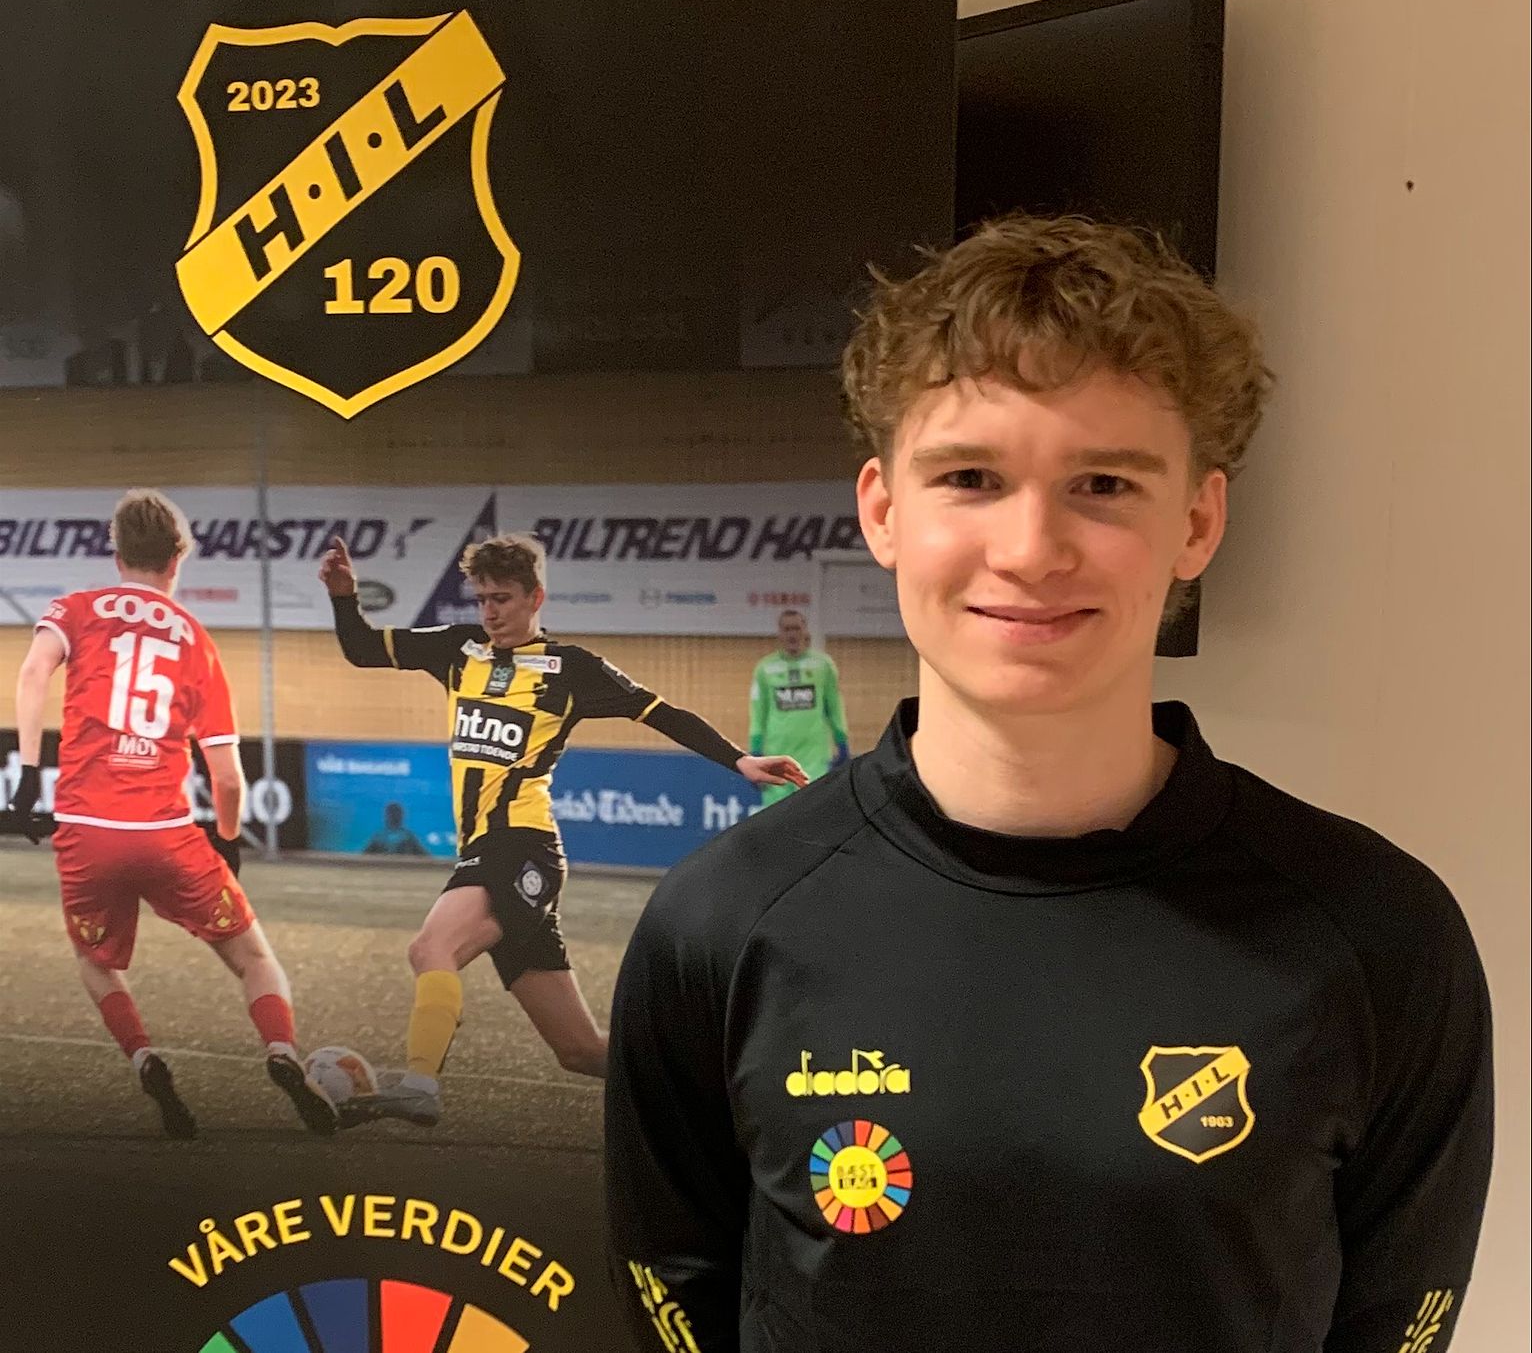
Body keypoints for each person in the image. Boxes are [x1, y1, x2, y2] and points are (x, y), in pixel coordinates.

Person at [604, 213, 1493, 1352]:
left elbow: (1396, 1317)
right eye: (970, 477)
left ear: (1197, 521)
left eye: (1103, 483)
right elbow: (672, 1286)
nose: (1029, 549)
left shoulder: (1377, 931)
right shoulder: (721, 923)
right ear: (883, 511)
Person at [320, 531, 806, 1128]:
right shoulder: (458, 650)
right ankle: (727, 1090)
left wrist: (740, 761)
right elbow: (362, 649)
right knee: (580, 1051)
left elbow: (660, 712)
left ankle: (420, 1083)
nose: (490, 612)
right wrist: (343, 597)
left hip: (522, 847)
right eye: (482, 599)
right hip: (489, 852)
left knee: (430, 948)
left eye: (502, 598)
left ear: (535, 597)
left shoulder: (571, 669)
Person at [5, 489, 338, 1139]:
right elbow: (228, 778)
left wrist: (27, 778)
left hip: (87, 832)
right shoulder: (195, 640)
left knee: (96, 960)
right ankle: (281, 1052)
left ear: (117, 552)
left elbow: (32, 674)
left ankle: (144, 1057)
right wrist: (229, 841)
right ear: (178, 558)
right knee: (254, 958)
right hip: (165, 833)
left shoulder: (76, 609)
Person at [748, 609, 849, 805]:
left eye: (796, 628)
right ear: (780, 633)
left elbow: (834, 707)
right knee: (776, 816)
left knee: (812, 813)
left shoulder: (823, 665)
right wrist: (756, 750)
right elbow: (758, 712)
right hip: (777, 756)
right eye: (787, 629)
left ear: (805, 631)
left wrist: (842, 741)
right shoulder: (765, 669)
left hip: (814, 758)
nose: (792, 634)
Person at [362, 801, 430, 857]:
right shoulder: (379, 836)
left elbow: (426, 856)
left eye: (396, 813)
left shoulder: (409, 836)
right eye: (391, 813)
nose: (394, 815)